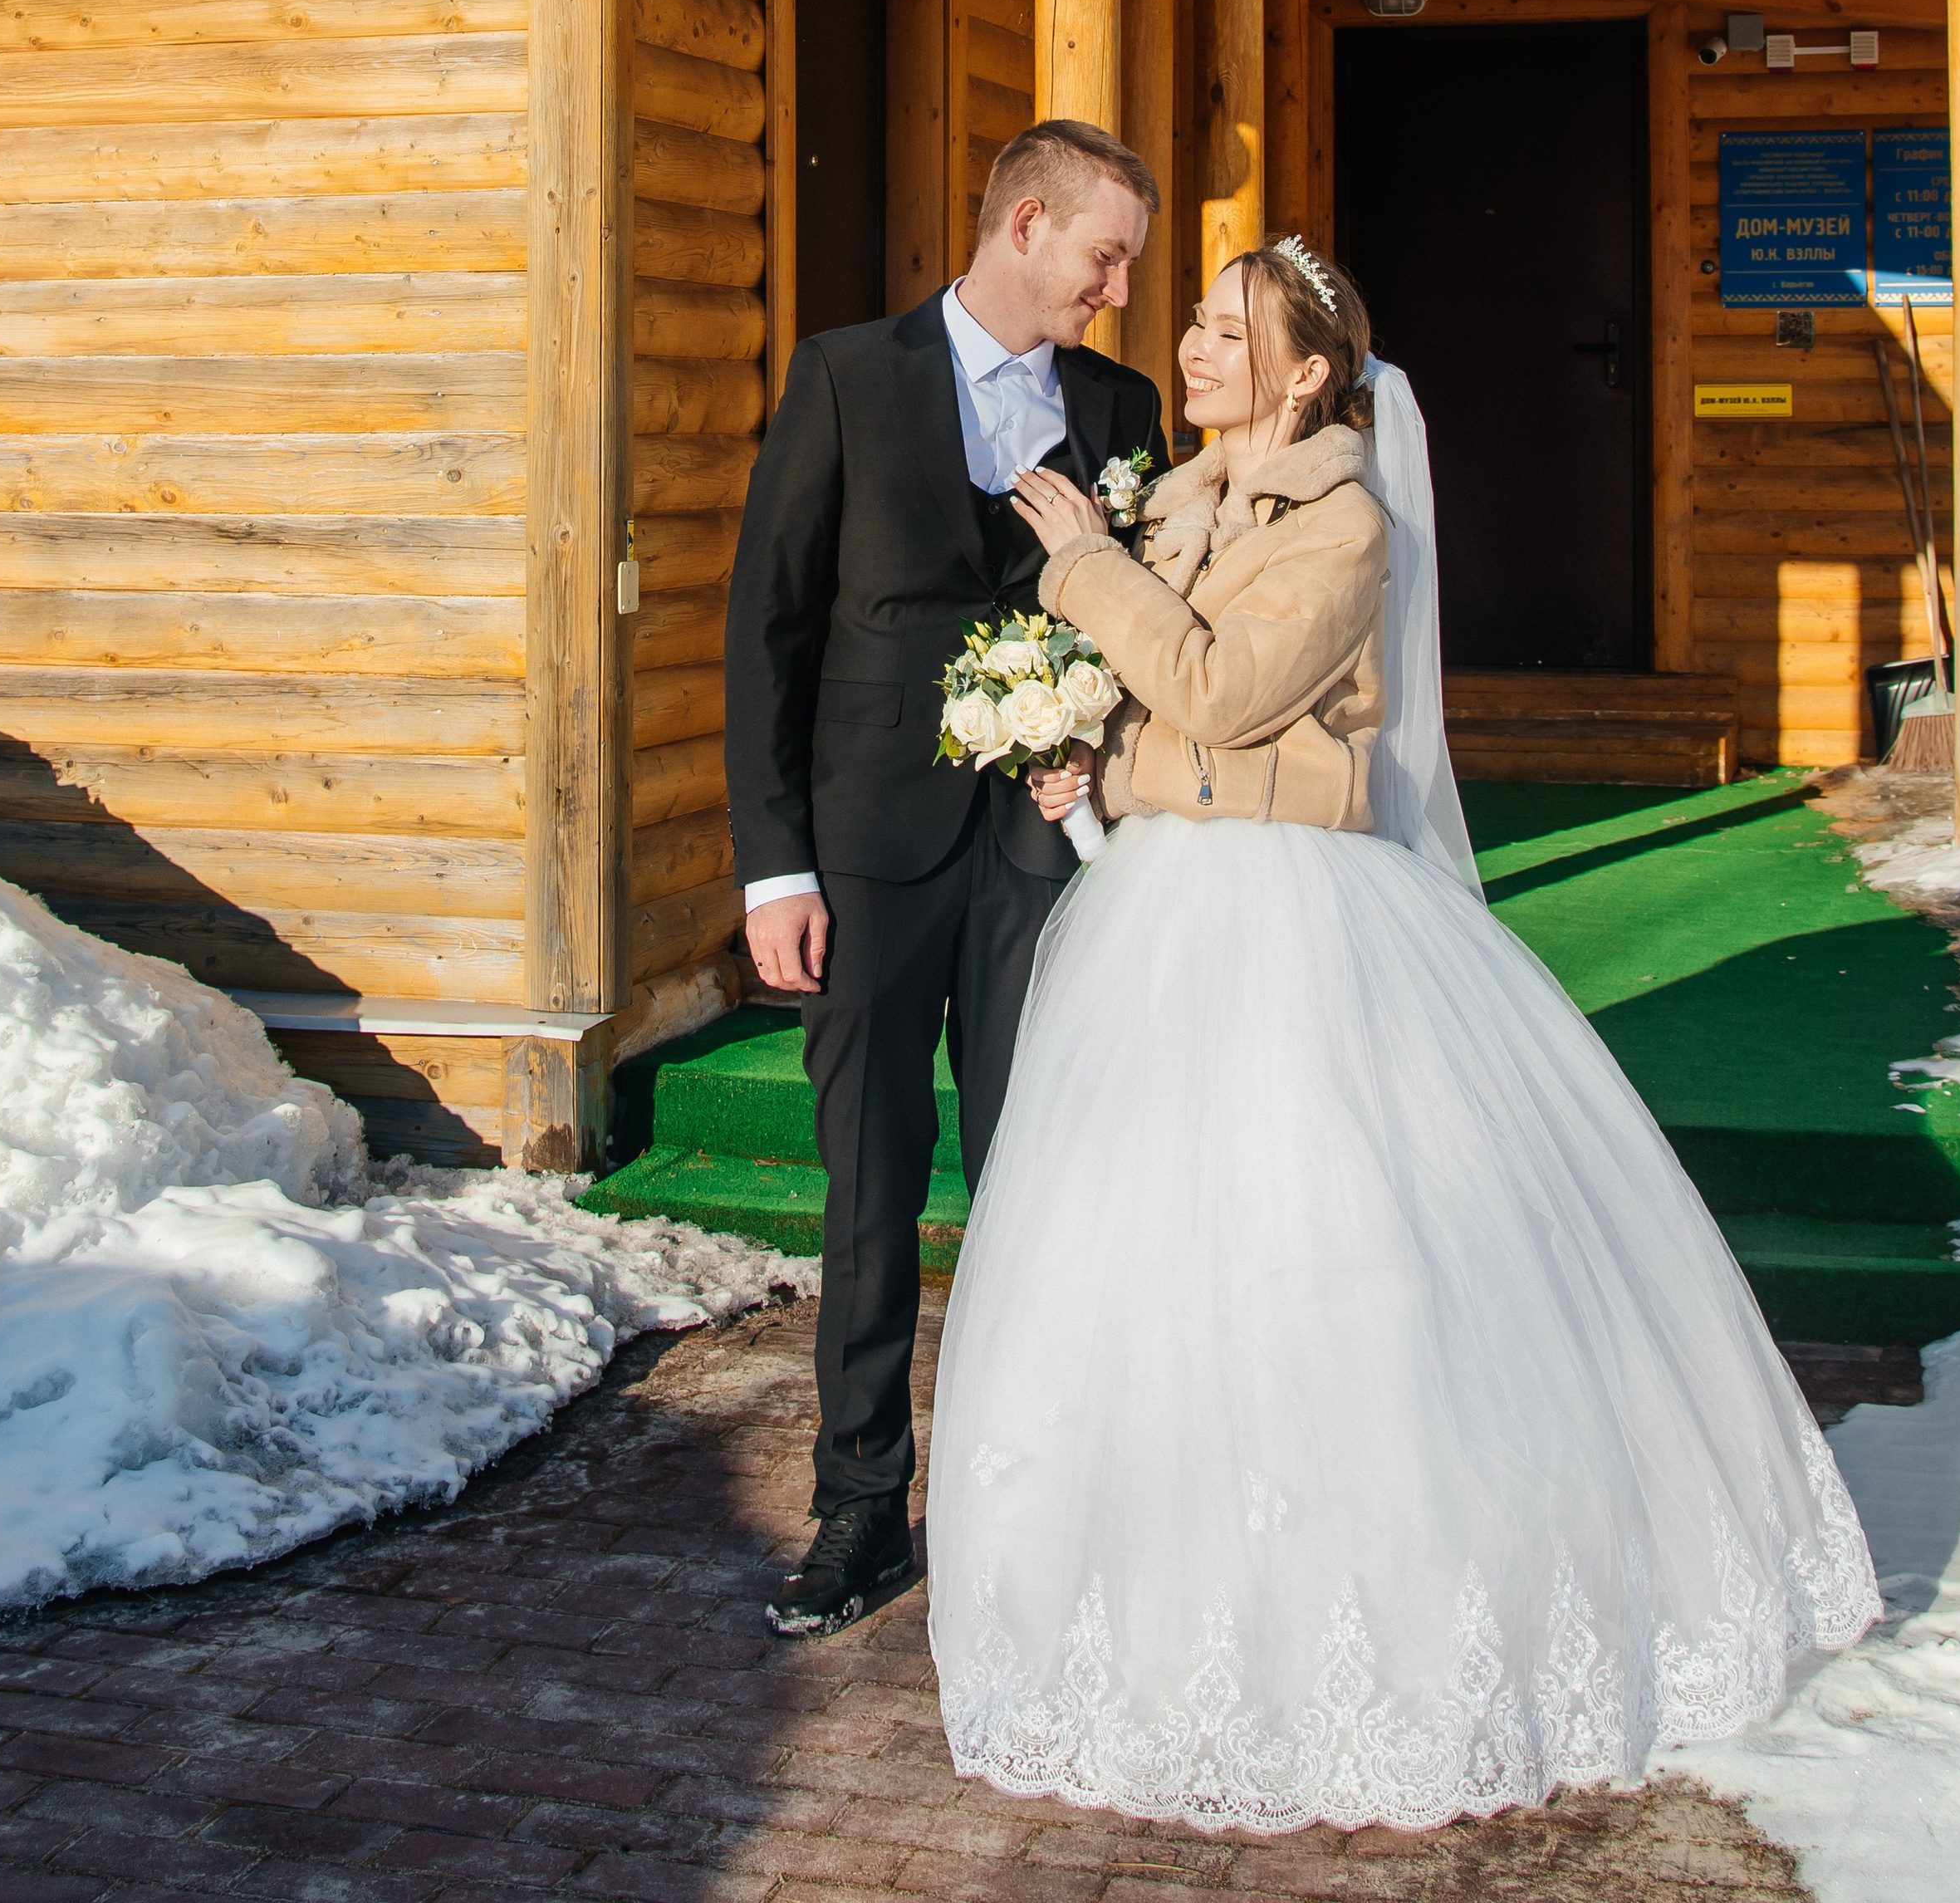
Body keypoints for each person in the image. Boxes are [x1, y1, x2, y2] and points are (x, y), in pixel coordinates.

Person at [925, 238, 1879, 1836]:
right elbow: (1171, 717)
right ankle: (1153, 1601)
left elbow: (1226, 694)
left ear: (1307, 374)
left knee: (1325, 1254)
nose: (1198, 343)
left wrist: (1086, 572)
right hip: (1166, 902)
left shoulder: (1345, 523)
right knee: (1150, 1261)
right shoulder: (1179, 501)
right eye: (1201, 321)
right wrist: (1086, 760)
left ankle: (1389, 1629)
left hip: (1294, 923)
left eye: (1234, 331)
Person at [727, 118, 1169, 1641]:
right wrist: (772, 864)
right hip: (864, 853)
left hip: (1039, 856)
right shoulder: (849, 377)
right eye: (1107, 256)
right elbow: (767, 634)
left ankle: (1031, 1497)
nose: (1118, 289)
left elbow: (1148, 627)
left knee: (1040, 1173)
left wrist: (1097, 771)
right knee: (871, 1185)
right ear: (1028, 223)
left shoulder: (1122, 409)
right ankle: (859, 1511)